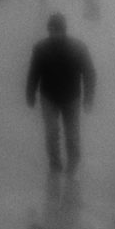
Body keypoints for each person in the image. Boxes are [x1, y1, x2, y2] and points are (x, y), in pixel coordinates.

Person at [26, 13, 97, 176]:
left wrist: (88, 98)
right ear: (48, 30)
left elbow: (89, 73)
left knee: (72, 136)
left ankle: (73, 165)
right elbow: (33, 72)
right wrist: (30, 93)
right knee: (52, 132)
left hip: (72, 97)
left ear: (64, 30)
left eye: (57, 30)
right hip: (48, 96)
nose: (54, 33)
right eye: (51, 30)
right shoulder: (41, 48)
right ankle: (55, 165)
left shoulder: (78, 48)